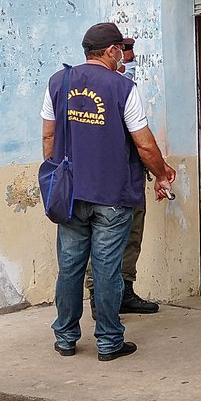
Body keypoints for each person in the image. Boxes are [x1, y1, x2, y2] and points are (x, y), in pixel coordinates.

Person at [41, 22, 175, 361]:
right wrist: (162, 174)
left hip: (70, 195)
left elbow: (48, 137)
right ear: (112, 51)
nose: (122, 56)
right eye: (121, 50)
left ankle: (66, 337)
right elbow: (144, 145)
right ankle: (108, 341)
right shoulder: (123, 87)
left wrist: (62, 172)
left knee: (70, 267)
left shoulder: (58, 82)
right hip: (113, 196)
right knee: (106, 269)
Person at [85, 36, 158, 318]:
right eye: (126, 55)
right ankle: (98, 298)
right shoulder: (102, 86)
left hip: (132, 173)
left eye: (132, 55)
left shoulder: (129, 86)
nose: (129, 60)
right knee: (102, 242)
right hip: (107, 179)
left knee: (133, 234)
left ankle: (125, 291)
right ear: (113, 53)